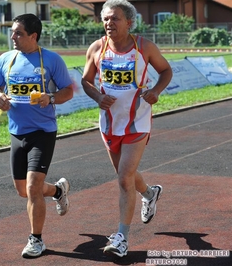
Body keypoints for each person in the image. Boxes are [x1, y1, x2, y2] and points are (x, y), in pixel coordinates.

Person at [81, 0, 173, 258]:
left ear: (129, 22)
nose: (109, 23)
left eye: (115, 19)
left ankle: (121, 237)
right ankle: (150, 192)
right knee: (127, 176)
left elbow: (166, 70)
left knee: (123, 178)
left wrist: (155, 91)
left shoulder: (144, 47)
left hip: (137, 121)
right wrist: (98, 98)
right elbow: (86, 80)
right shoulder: (97, 48)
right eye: (106, 19)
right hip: (109, 123)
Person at [0, 13, 74, 258]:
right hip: (16, 132)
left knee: (33, 187)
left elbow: (68, 90)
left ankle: (36, 240)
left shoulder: (51, 60)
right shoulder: (7, 59)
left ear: (33, 36)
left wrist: (52, 98)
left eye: (18, 33)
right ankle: (58, 191)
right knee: (23, 190)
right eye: (12, 32)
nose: (13, 37)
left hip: (42, 132)